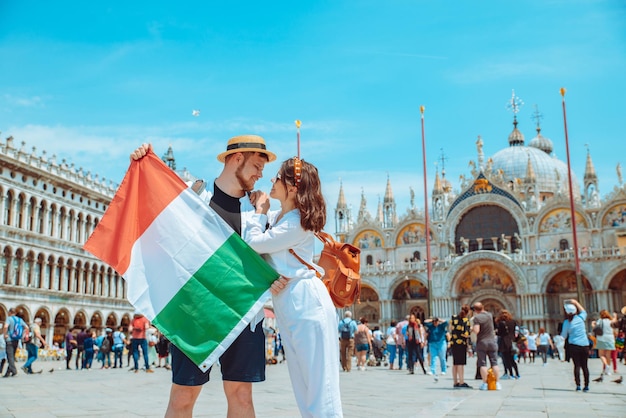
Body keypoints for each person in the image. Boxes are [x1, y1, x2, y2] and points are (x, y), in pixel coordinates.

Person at [131, 136, 288, 418]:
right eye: (256, 166)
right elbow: (154, 218)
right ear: (236, 159)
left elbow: (270, 258)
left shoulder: (258, 210)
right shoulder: (195, 196)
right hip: (195, 314)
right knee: (183, 396)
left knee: (242, 396)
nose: (260, 175)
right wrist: (141, 163)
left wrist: (275, 276)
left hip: (242, 314)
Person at [243, 156, 343, 417]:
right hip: (290, 303)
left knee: (321, 387)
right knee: (303, 384)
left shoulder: (297, 221)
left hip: (307, 303)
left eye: (277, 177)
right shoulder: (281, 217)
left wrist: (260, 212)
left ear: (293, 187)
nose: (271, 180)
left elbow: (255, 243)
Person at [471, 302, 501, 391]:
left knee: (482, 363)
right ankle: (497, 383)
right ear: (483, 307)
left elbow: (476, 330)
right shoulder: (489, 315)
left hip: (482, 342)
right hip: (492, 341)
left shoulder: (477, 318)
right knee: (494, 363)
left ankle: (484, 383)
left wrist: (471, 329)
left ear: (475, 310)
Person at [561, 299, 590, 392]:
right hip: (585, 345)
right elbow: (583, 311)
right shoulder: (581, 318)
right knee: (585, 366)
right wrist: (576, 302)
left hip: (573, 345)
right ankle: (586, 386)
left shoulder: (566, 322)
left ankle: (578, 385)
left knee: (577, 366)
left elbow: (563, 335)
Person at [450, 304, 472, 388]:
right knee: (460, 363)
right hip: (461, 343)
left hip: (454, 343)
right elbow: (466, 334)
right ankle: (462, 381)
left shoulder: (453, 317)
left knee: (455, 363)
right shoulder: (466, 320)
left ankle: (455, 382)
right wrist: (471, 330)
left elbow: (451, 329)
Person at [2, 308, 29, 378]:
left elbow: (5, 326)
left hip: (9, 339)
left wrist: (4, 334)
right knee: (12, 356)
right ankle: (8, 373)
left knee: (10, 357)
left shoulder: (9, 319)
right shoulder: (20, 320)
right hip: (16, 340)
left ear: (10, 312)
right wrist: (22, 335)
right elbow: (26, 327)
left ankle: (14, 371)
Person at [496, 310, 520, 379]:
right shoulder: (513, 322)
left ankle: (511, 374)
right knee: (512, 359)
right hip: (512, 342)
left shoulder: (501, 323)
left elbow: (499, 333)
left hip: (504, 343)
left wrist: (497, 332)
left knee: (506, 359)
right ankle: (517, 374)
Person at [424, 316, 449, 381]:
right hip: (432, 343)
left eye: (436, 321)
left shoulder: (441, 326)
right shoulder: (431, 326)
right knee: (433, 357)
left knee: (442, 357)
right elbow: (425, 322)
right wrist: (431, 319)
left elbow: (446, 322)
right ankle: (432, 370)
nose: (435, 323)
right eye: (434, 322)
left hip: (441, 343)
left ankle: (443, 370)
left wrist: (439, 319)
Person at [593, 309, 616, 379]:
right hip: (610, 339)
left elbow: (595, 328)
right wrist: (615, 316)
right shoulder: (610, 321)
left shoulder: (600, 321)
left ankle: (606, 365)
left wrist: (592, 324)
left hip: (601, 338)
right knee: (608, 355)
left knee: (601, 354)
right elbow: (615, 321)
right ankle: (608, 371)